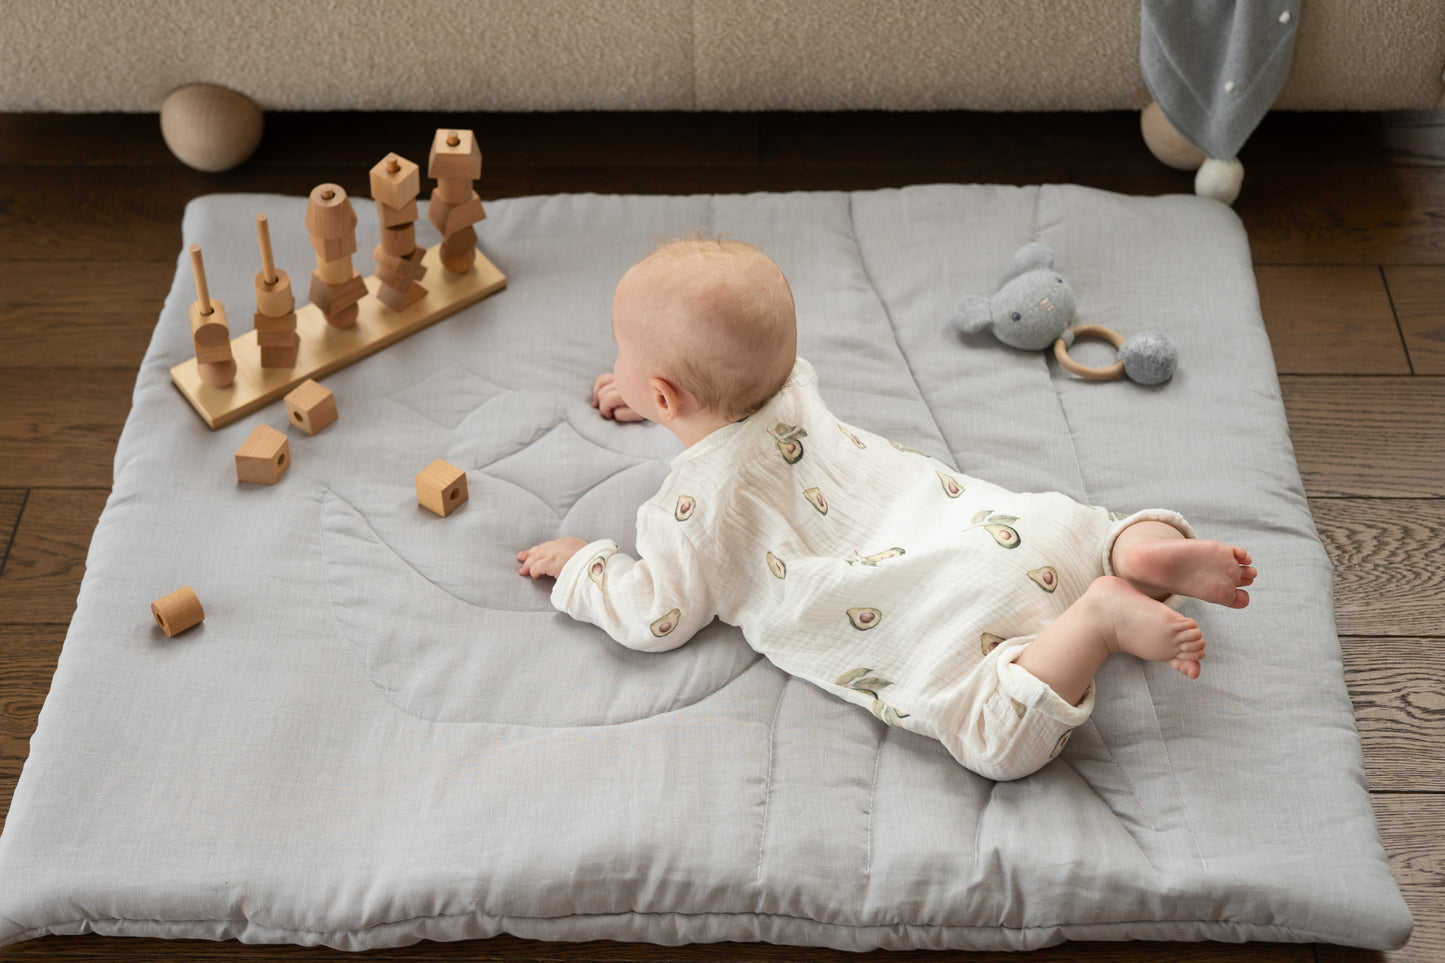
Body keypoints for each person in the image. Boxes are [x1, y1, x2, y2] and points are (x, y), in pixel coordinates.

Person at [518, 237, 1256, 780]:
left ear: (663, 397)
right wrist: (650, 391)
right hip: (1006, 529)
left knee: (998, 740)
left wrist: (584, 567)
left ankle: (1096, 619)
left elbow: (657, 616)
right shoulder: (789, 383)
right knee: (1087, 530)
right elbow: (723, 387)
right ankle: (1138, 553)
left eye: (624, 354)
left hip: (944, 613)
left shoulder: (689, 513)